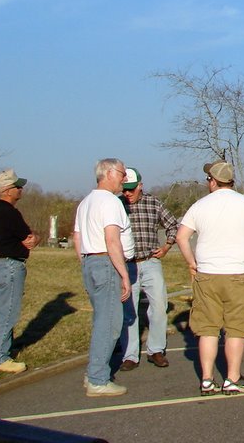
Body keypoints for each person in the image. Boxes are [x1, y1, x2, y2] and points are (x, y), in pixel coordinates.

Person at [176, 160, 244, 396]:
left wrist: (192, 262)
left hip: (207, 275)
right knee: (236, 329)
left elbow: (182, 237)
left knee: (208, 329)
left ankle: (208, 380)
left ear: (212, 180)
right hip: (239, 275)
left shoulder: (199, 206)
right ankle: (232, 378)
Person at [73, 158, 134, 397]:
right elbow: (112, 240)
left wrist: (87, 264)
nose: (124, 179)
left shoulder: (86, 202)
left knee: (101, 320)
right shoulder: (110, 201)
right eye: (121, 173)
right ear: (108, 173)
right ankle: (98, 378)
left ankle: (93, 373)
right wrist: (123, 274)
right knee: (109, 324)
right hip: (105, 262)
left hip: (90, 261)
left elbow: (77, 238)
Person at [117, 167, 179, 371]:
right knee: (129, 310)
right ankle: (130, 355)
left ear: (140, 186)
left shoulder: (153, 202)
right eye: (124, 189)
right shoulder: (117, 204)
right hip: (127, 265)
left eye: (131, 189)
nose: (127, 193)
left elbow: (173, 225)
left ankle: (156, 350)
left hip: (151, 261)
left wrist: (167, 246)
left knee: (159, 306)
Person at [0, 168, 39, 373]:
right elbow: (29, 239)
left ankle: (4, 350)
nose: (21, 189)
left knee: (4, 310)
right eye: (18, 186)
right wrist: (35, 239)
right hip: (9, 266)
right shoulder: (9, 212)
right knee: (7, 312)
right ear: (8, 190)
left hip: (0, 266)